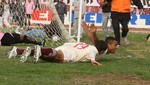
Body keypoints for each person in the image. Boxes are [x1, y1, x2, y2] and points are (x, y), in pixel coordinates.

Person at [8, 22, 118, 66]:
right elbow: (94, 51)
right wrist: (94, 62)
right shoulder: (96, 49)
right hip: (72, 53)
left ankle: (18, 51)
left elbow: (96, 44)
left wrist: (90, 31)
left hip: (70, 47)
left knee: (51, 58)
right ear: (107, 45)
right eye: (115, 45)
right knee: (57, 56)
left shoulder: (98, 48)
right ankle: (39, 49)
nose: (116, 47)